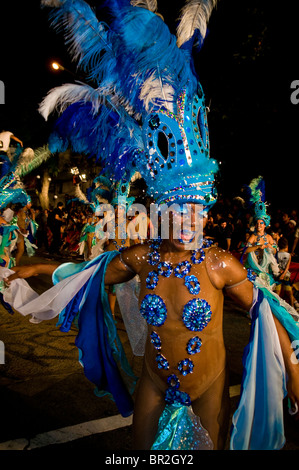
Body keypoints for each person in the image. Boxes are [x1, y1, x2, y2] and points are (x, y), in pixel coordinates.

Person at [2, 0, 299, 452]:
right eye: (179, 210)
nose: (188, 222)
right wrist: (34, 271)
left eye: (196, 211)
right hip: (154, 384)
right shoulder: (142, 258)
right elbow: (87, 278)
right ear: (163, 210)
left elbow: (265, 314)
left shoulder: (219, 264)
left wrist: (294, 375)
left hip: (209, 387)